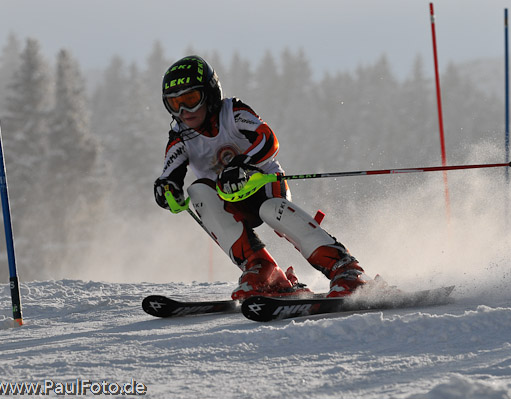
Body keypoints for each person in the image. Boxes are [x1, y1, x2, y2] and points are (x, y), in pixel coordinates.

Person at [154, 55, 370, 300]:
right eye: (175, 104)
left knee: (271, 209)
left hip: (263, 184)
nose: (184, 111)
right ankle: (263, 271)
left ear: (210, 93)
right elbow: (169, 175)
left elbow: (268, 138)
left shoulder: (232, 112)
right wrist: (167, 189)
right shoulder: (180, 136)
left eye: (191, 100)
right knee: (198, 191)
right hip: (229, 201)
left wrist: (243, 164)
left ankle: (345, 269)